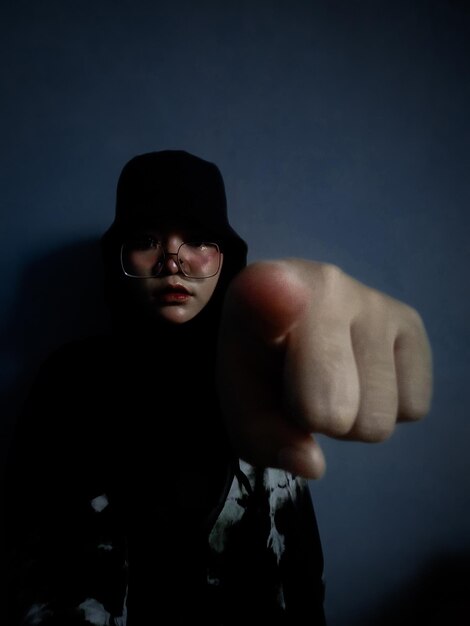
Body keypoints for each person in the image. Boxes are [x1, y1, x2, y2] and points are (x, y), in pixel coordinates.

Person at [4, 150, 432, 625]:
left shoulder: (261, 383)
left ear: (225, 257)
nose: (172, 262)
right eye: (147, 239)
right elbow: (24, 549)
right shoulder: (70, 380)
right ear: (119, 257)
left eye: (198, 239)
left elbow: (300, 569)